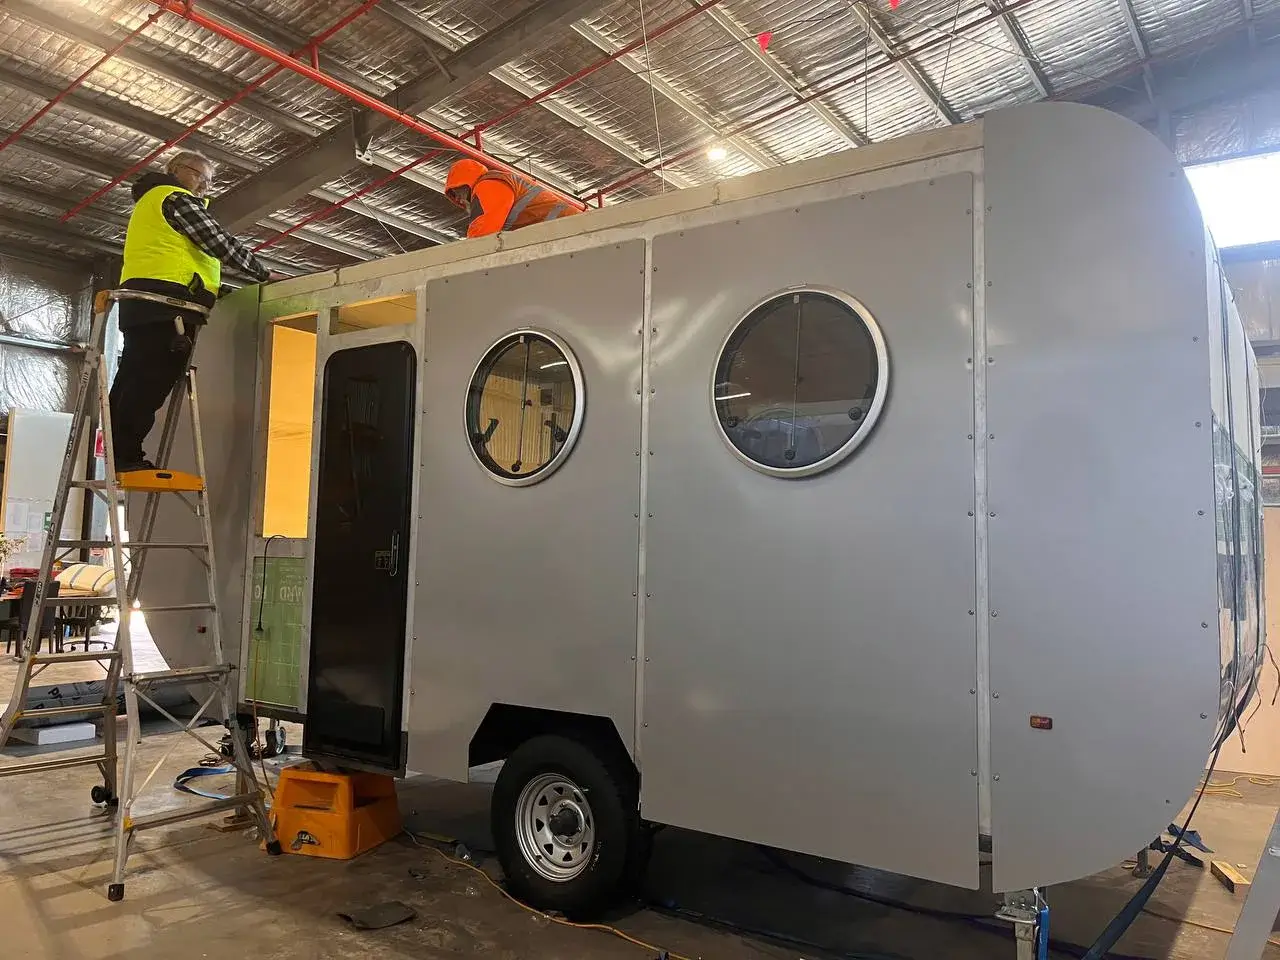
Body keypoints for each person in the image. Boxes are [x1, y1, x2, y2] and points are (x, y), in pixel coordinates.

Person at [109, 149, 282, 473]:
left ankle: (116, 452)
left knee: (132, 379)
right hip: (168, 307)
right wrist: (263, 273)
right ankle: (126, 457)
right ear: (177, 169)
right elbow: (217, 241)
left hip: (144, 305)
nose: (205, 186)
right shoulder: (174, 198)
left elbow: (186, 259)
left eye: (210, 181)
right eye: (201, 177)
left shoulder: (149, 205)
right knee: (150, 382)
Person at [444, 159, 581, 238]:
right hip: (566, 229)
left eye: (458, 193)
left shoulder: (488, 185)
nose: (459, 200)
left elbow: (482, 234)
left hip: (571, 228)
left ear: (466, 183)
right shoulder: (497, 183)